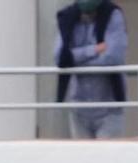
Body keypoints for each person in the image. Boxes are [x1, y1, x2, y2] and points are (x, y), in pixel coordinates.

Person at [55, 0, 129, 140]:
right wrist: (93, 50)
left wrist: (73, 59)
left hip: (110, 108)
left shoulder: (113, 14)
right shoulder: (67, 17)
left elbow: (113, 57)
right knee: (82, 161)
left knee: (108, 160)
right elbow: (60, 58)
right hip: (79, 108)